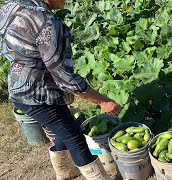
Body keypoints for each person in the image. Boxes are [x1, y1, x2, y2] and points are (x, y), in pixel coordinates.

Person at [0, 0, 121, 180]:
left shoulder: (12, 5)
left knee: (62, 127)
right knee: (74, 137)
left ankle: (64, 172)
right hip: (39, 96)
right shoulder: (48, 24)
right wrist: (103, 101)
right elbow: (65, 78)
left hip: (18, 86)